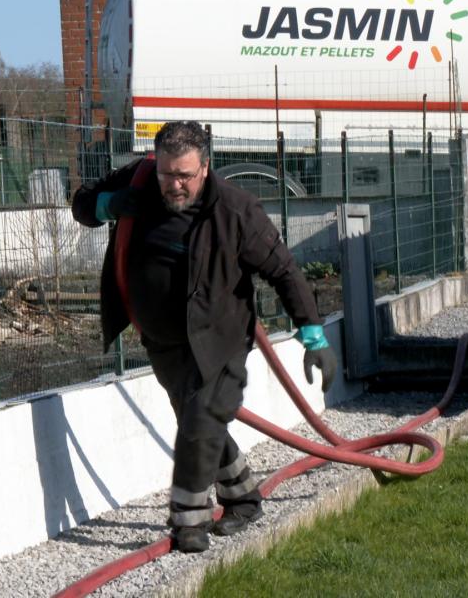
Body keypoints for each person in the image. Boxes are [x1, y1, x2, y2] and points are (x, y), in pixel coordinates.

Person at [71, 121, 336, 553]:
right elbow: (81, 204)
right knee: (198, 422)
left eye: (184, 176)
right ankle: (243, 497)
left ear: (206, 167)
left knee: (198, 424)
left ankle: (188, 520)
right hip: (162, 340)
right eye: (167, 174)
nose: (174, 185)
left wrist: (314, 338)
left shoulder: (236, 211)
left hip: (220, 338)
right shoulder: (139, 179)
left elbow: (284, 271)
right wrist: (108, 204)